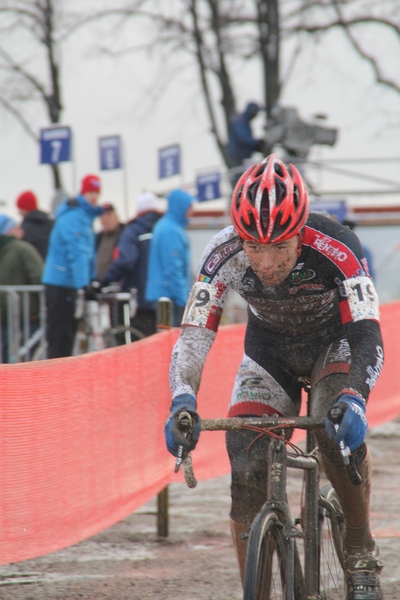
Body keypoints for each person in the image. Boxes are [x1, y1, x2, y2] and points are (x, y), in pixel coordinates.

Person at [164, 154, 384, 600]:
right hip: (270, 353)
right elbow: (193, 334)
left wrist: (356, 397)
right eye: (254, 246)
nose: (266, 261)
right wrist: (182, 398)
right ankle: (258, 587)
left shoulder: (337, 246)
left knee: (332, 427)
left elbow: (366, 331)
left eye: (280, 246)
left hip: (333, 346)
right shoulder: (222, 252)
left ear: (301, 233)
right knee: (245, 458)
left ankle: (359, 552)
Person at [42, 174, 104, 359]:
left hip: (67, 283)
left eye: (97, 192)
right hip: (61, 284)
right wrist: (84, 284)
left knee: (66, 336)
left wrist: (92, 278)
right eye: (90, 191)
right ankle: (54, 381)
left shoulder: (84, 217)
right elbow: (77, 252)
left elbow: (87, 254)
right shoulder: (74, 217)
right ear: (83, 192)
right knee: (61, 338)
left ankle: (60, 379)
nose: (94, 196)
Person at [102, 192, 162, 340]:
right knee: (160, 343)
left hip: (139, 299)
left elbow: (126, 260)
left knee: (137, 343)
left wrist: (105, 280)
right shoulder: (165, 228)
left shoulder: (134, 230)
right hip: (164, 299)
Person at [145, 188, 194, 327]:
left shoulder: (166, 226)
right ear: (181, 207)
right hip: (169, 297)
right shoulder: (171, 230)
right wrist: (183, 299)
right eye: (189, 206)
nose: (192, 211)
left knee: (165, 338)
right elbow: (173, 267)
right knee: (171, 342)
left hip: (164, 293)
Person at [0, 215, 43, 363]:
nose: (22, 233)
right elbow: (39, 276)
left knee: (5, 354)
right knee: (33, 353)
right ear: (7, 231)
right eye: (17, 229)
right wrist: (44, 306)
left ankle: (6, 383)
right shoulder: (23, 249)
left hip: (4, 316)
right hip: (26, 314)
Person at [227, 101, 265, 186]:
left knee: (244, 181)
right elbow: (244, 139)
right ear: (252, 111)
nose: (257, 114)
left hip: (242, 158)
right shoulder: (240, 122)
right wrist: (257, 142)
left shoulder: (244, 121)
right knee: (240, 183)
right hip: (237, 158)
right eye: (256, 112)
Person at [16, 190, 54, 260]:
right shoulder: (51, 223)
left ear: (24, 208)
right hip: (52, 266)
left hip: (34, 268)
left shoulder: (24, 228)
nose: (18, 212)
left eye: (20, 208)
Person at [95, 203, 125, 281]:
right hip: (99, 284)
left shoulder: (125, 235)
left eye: (108, 215)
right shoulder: (98, 237)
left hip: (116, 284)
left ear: (116, 217)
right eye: (102, 216)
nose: (105, 219)